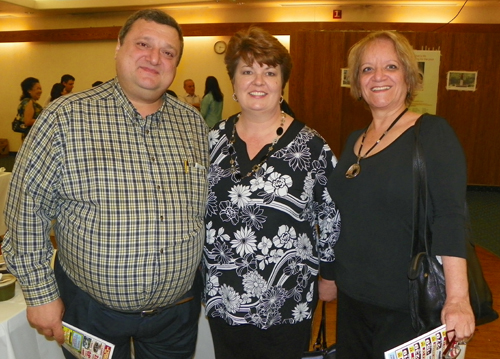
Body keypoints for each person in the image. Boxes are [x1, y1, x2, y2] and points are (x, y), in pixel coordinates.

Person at [2, 9, 208, 359]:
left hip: (175, 315)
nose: (155, 58)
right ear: (118, 47)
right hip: (91, 313)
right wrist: (39, 294)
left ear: (177, 64)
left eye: (169, 52)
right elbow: (26, 210)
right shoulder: (65, 118)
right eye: (144, 44)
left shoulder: (193, 124)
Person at [324, 30, 475, 358]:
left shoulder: (432, 134)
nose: (378, 77)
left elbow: (451, 217)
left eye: (390, 67)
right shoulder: (354, 140)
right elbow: (345, 217)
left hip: (407, 306)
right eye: (367, 69)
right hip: (352, 302)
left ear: (408, 76)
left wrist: (458, 299)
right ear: (357, 83)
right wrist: (331, 276)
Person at [202, 26, 341, 359]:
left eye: (269, 71)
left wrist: (330, 275)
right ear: (233, 83)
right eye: (247, 71)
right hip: (224, 295)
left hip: (287, 299)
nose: (258, 81)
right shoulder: (210, 142)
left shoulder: (312, 147)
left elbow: (331, 215)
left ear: (282, 82)